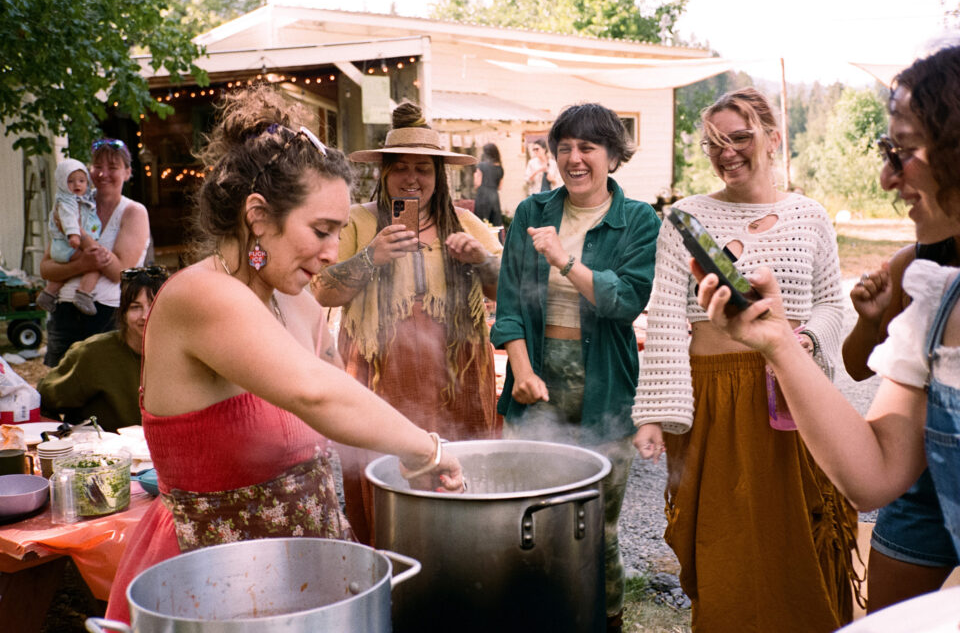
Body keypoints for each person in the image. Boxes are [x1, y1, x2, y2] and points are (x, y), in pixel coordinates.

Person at [105, 86, 463, 625]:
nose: (332, 252)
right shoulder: (200, 297)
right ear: (258, 216)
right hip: (217, 587)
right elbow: (315, 394)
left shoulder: (294, 299)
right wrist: (427, 450)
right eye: (321, 231)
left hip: (303, 576)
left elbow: (339, 407)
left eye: (338, 233)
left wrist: (403, 461)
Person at [696, 46, 960, 613]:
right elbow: (873, 474)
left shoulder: (811, 216)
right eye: (887, 151)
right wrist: (775, 340)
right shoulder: (937, 297)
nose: (886, 178)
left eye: (903, 151)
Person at [632, 87, 858, 632]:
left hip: (789, 393)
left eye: (739, 137)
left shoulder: (809, 217)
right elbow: (666, 314)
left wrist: (805, 343)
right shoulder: (686, 217)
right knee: (720, 540)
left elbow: (832, 305)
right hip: (710, 398)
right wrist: (654, 415)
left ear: (773, 138)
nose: (726, 152)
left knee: (798, 531)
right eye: (714, 143)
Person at [492, 103, 661, 631]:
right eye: (564, 148)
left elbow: (625, 303)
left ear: (613, 155)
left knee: (597, 526)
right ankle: (536, 617)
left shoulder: (638, 220)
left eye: (587, 147)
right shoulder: (531, 211)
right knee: (526, 517)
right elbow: (509, 305)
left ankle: (604, 619)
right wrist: (521, 371)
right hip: (536, 383)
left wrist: (565, 260)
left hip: (605, 387)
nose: (574, 158)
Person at [312, 102, 500, 544]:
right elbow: (323, 291)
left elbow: (505, 289)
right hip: (380, 374)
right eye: (400, 167)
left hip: (457, 373)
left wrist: (481, 260)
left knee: (460, 471)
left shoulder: (466, 222)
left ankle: (467, 556)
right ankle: (392, 563)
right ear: (384, 174)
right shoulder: (358, 221)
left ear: (439, 176)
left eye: (423, 168)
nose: (411, 178)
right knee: (385, 474)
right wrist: (371, 256)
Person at [842, 236, 958, 612]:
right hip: (918, 486)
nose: (909, 210)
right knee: (889, 620)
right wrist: (869, 320)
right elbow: (856, 367)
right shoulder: (913, 262)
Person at [40, 138, 151, 367]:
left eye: (113, 167)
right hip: (64, 312)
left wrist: (80, 236)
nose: (103, 174)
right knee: (60, 384)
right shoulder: (71, 206)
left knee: (105, 382)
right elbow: (46, 268)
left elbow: (120, 273)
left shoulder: (133, 212)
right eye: (97, 166)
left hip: (108, 314)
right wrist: (85, 264)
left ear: (128, 172)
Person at [37, 266, 167, 432]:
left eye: (153, 306)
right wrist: (62, 439)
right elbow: (43, 400)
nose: (145, 316)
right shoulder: (93, 354)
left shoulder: (183, 354)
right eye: (135, 307)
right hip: (101, 446)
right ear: (123, 312)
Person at [36, 159, 102, 315]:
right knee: (94, 264)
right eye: (70, 181)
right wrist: (74, 235)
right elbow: (68, 219)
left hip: (62, 247)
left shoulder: (79, 199)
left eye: (81, 181)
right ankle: (83, 295)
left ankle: (48, 294)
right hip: (67, 246)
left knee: (69, 271)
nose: (77, 185)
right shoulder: (66, 201)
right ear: (62, 183)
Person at [473, 142, 504, 226]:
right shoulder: (500, 168)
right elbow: (500, 187)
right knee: (495, 225)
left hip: (482, 196)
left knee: (481, 224)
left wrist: (475, 187)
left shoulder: (481, 166)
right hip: (494, 196)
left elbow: (477, 183)